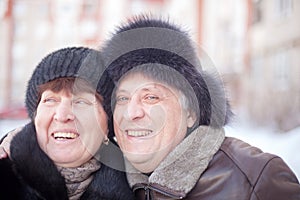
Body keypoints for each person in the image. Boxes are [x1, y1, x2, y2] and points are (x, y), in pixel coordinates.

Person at [101, 16, 300, 199]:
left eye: (151, 97)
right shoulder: (109, 183)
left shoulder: (257, 180)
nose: (131, 112)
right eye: (123, 98)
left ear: (192, 112)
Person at [0, 47, 134, 199]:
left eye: (81, 101)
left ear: (107, 127)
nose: (62, 115)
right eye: (50, 100)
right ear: (35, 117)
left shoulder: (143, 188)